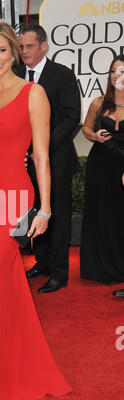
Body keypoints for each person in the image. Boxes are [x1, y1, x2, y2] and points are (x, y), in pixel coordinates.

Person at [0, 20, 71, 400]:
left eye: (2, 51)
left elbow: (41, 155)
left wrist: (44, 207)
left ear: (14, 51)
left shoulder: (33, 93)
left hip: (14, 200)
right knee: (4, 286)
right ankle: (18, 365)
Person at [17, 24, 81, 294]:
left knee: (56, 216)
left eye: (29, 46)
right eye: (20, 47)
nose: (24, 52)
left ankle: (59, 273)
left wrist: (41, 146)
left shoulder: (62, 75)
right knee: (32, 213)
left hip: (55, 160)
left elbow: (71, 118)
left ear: (44, 46)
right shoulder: (16, 75)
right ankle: (41, 263)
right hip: (24, 161)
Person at [80, 55, 124, 285]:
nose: (118, 76)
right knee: (100, 215)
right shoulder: (99, 103)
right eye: (114, 71)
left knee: (119, 217)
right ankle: (99, 268)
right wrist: (94, 136)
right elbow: (86, 128)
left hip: (122, 165)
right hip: (100, 165)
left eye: (123, 71)